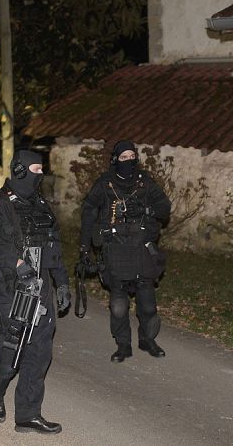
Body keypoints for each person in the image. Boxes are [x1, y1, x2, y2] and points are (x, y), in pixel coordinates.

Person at [0, 149, 70, 434]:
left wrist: (62, 282)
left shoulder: (41, 205)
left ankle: (28, 415)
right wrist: (16, 263)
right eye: (36, 169)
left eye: (42, 169)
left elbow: (53, 249)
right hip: (10, 291)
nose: (40, 175)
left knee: (39, 354)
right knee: (9, 355)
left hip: (40, 290)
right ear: (20, 170)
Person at [79, 140, 171, 363]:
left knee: (147, 304)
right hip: (116, 250)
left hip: (141, 250)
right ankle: (123, 345)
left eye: (132, 157)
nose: (129, 160)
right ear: (115, 160)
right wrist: (84, 248)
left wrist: (145, 208)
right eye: (124, 157)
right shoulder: (105, 184)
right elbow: (89, 213)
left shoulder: (145, 183)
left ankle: (147, 340)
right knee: (119, 306)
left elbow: (164, 208)